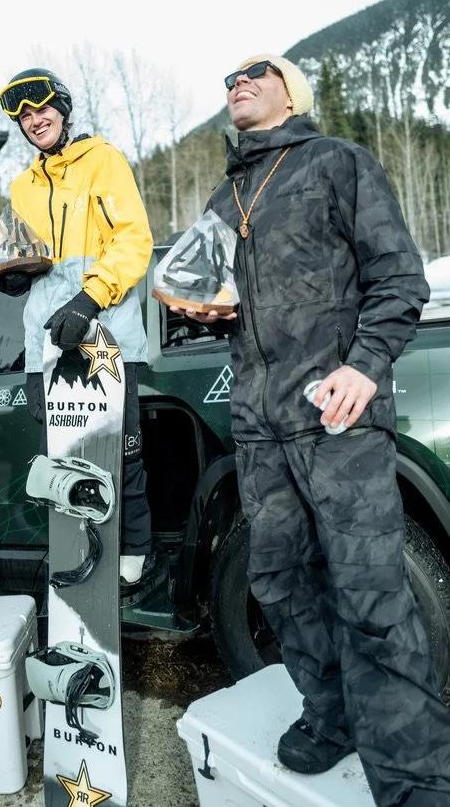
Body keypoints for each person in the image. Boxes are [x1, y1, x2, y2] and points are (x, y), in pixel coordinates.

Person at [174, 55, 450, 807]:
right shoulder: (224, 195)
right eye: (226, 75)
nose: (234, 79)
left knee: (370, 589)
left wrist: (364, 365)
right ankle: (330, 716)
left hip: (339, 414)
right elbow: (203, 291)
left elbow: (399, 277)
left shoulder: (336, 161)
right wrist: (203, 309)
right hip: (260, 427)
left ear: (291, 90)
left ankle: (416, 774)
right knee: (282, 581)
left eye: (253, 71)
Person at [0, 67, 154, 587]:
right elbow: (19, 252)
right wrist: (14, 274)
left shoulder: (102, 161)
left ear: (63, 111)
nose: (34, 120)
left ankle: (134, 545)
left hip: (104, 331)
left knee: (117, 448)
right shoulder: (22, 186)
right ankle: (77, 548)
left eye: (43, 109)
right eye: (24, 115)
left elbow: (133, 240)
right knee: (63, 456)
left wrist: (90, 297)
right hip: (45, 341)